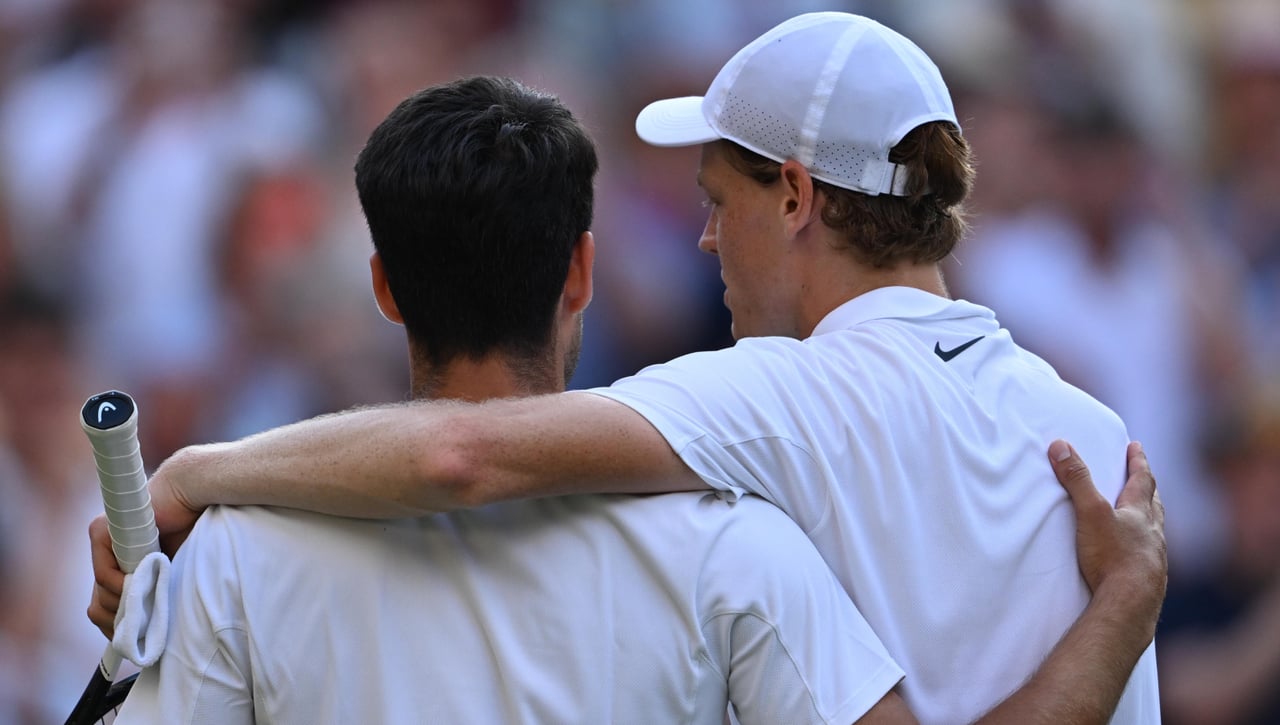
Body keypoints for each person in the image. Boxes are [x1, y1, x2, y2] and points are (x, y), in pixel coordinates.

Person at [93, 14, 1166, 723]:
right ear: (581, 272)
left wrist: (193, 475)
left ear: (797, 197)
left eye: (717, 200)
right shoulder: (1099, 434)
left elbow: (460, 447)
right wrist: (1120, 611)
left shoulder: (769, 400)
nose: (706, 238)